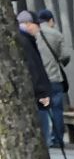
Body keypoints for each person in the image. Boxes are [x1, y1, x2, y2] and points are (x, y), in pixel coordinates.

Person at [15, 7, 54, 142]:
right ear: (28, 24)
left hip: (33, 94)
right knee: (42, 131)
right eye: (37, 24)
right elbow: (34, 69)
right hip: (38, 95)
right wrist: (42, 92)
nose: (39, 28)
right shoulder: (26, 42)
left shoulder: (21, 40)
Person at [34, 9, 69, 150]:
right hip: (54, 78)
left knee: (42, 110)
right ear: (51, 20)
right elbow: (65, 55)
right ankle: (57, 140)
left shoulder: (33, 34)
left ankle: (45, 139)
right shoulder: (56, 34)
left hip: (39, 80)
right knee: (57, 109)